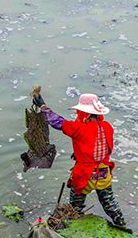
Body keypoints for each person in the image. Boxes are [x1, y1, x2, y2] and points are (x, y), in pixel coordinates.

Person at [33, 91, 127, 228]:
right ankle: (121, 225)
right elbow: (95, 145)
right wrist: (78, 154)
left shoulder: (79, 128)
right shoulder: (108, 127)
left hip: (84, 175)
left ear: (84, 112)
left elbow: (57, 121)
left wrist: (42, 106)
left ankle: (74, 227)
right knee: (109, 203)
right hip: (104, 173)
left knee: (75, 206)